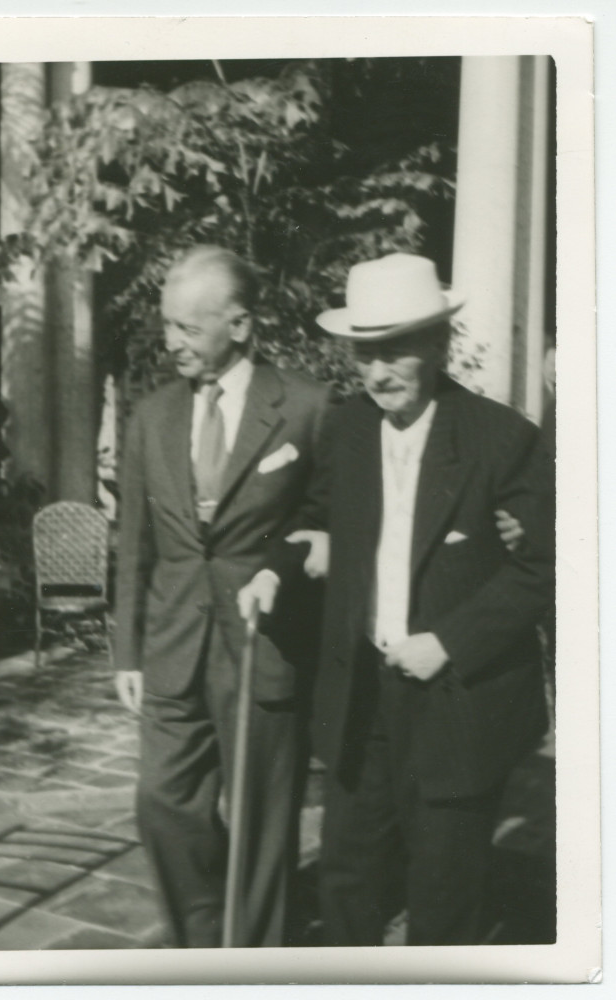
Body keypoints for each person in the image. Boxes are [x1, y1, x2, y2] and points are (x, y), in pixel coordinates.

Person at [240, 253, 554, 946]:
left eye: (394, 353)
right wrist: (275, 571)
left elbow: (540, 567)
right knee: (348, 880)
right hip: (361, 700)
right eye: (363, 354)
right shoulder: (348, 430)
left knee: (444, 896)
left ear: (437, 345)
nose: (376, 372)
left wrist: (446, 641)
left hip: (456, 704)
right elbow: (314, 518)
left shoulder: (500, 439)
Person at [113, 245, 330, 948]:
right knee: (161, 802)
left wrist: (287, 565)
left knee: (264, 824)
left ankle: (254, 958)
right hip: (174, 643)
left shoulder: (304, 406)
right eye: (167, 325)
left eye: (187, 328)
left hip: (264, 641)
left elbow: (321, 515)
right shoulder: (151, 415)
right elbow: (134, 541)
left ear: (238, 325)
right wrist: (128, 651)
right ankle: (204, 940)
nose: (170, 341)